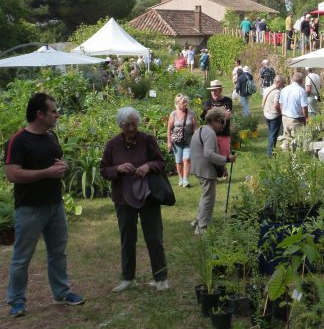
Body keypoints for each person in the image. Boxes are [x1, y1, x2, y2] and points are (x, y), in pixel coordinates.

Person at [5, 93, 85, 317]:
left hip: (55, 205)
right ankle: (16, 301)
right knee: (22, 257)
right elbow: (12, 174)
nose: (57, 115)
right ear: (39, 114)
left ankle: (62, 292)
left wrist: (63, 166)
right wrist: (47, 173)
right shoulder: (18, 141)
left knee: (58, 253)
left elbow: (55, 164)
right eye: (53, 111)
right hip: (29, 208)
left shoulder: (51, 138)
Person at [100, 107, 168, 293]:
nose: (131, 128)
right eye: (127, 125)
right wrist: (118, 169)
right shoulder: (113, 145)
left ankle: (161, 278)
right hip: (123, 198)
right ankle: (128, 278)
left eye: (134, 124)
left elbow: (161, 163)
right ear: (120, 125)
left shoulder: (147, 140)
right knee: (127, 238)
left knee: (154, 237)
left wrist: (148, 166)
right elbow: (103, 170)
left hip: (148, 197)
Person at [189, 107, 235, 235]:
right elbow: (208, 154)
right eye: (222, 123)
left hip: (198, 167)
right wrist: (226, 159)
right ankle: (202, 228)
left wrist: (222, 166)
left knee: (205, 196)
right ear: (215, 120)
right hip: (205, 169)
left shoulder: (201, 129)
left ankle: (197, 221)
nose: (222, 127)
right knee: (208, 199)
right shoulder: (209, 132)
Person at [167, 94, 197, 188]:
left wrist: (197, 139)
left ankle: (185, 180)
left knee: (187, 159)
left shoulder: (191, 113)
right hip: (177, 141)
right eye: (183, 102)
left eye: (185, 102)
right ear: (177, 104)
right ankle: (180, 179)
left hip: (189, 140)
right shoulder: (173, 114)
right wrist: (169, 142)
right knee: (179, 161)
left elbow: (195, 128)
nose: (185, 104)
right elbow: (169, 129)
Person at [201, 80, 234, 157]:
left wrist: (214, 116)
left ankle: (222, 169)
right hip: (210, 135)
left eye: (216, 90)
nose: (214, 93)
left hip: (224, 134)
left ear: (220, 90)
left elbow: (228, 116)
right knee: (211, 158)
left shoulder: (227, 101)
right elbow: (206, 118)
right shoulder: (208, 102)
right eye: (212, 91)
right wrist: (222, 114)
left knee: (223, 158)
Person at [279, 72, 308, 151]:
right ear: (301, 81)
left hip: (285, 117)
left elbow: (281, 104)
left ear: (292, 80)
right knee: (297, 139)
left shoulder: (284, 89)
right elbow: (304, 107)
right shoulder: (301, 91)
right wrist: (306, 118)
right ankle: (296, 157)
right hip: (296, 119)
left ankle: (286, 156)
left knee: (286, 139)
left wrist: (283, 114)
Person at [262, 75, 285, 156]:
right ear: (278, 82)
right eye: (282, 84)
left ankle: (271, 150)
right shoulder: (277, 92)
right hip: (274, 115)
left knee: (271, 133)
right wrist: (281, 112)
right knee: (273, 135)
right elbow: (276, 105)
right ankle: (270, 153)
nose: (283, 85)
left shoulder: (267, 89)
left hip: (266, 113)